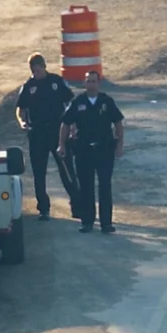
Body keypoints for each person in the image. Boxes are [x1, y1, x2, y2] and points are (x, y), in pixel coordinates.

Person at [14, 53, 77, 218]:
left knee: (67, 169)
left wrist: (72, 124)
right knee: (39, 172)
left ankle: (77, 204)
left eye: (39, 69)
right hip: (37, 133)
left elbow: (70, 101)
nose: (37, 73)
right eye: (34, 71)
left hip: (58, 131)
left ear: (44, 67)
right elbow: (20, 109)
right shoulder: (28, 86)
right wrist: (22, 122)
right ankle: (43, 208)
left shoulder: (56, 81)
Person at [61, 77, 126, 234]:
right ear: (84, 83)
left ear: (98, 83)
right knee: (86, 187)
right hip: (83, 150)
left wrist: (119, 145)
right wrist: (61, 144)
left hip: (104, 150)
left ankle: (106, 223)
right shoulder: (78, 102)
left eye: (94, 81)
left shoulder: (106, 101)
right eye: (88, 81)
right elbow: (65, 123)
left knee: (105, 185)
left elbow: (118, 123)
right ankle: (87, 222)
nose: (91, 84)